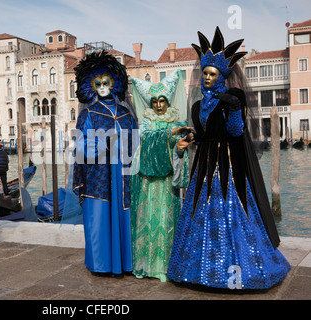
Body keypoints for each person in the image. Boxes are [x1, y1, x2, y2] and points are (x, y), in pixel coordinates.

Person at [167, 27, 290, 289]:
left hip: (229, 166)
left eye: (213, 74)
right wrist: (189, 139)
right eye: (205, 73)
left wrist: (234, 108)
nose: (208, 78)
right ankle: (199, 272)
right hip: (203, 166)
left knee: (230, 212)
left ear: (222, 75)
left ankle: (234, 275)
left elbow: (236, 132)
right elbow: (202, 135)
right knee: (201, 212)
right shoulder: (198, 105)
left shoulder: (234, 98)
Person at [73, 51, 138, 277]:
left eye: (106, 82)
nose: (102, 87)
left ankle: (124, 262)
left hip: (124, 173)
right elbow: (81, 147)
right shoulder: (89, 113)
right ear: (91, 85)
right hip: (99, 174)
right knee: (100, 213)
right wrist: (105, 144)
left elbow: (135, 142)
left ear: (114, 84)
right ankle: (102, 264)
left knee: (124, 212)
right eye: (97, 83)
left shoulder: (125, 113)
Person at [129, 69, 193, 282]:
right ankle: (147, 265)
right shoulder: (147, 120)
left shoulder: (175, 120)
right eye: (154, 101)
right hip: (148, 178)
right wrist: (171, 134)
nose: (157, 105)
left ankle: (166, 265)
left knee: (167, 219)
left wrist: (181, 147)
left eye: (162, 100)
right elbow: (146, 139)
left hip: (167, 179)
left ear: (168, 101)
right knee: (147, 218)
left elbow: (177, 152)